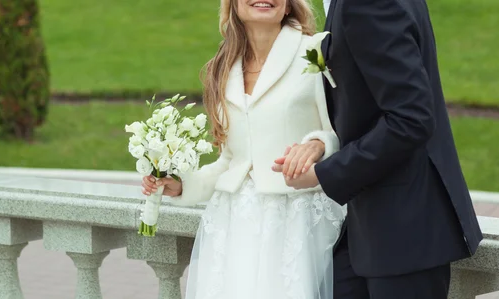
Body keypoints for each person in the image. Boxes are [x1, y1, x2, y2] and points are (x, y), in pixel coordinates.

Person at [272, 0, 483, 298]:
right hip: (371, 230)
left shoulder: (366, 3)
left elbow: (411, 119)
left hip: (403, 234)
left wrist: (325, 173)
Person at [141, 0, 346, 298]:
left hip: (295, 220)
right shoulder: (223, 67)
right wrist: (182, 185)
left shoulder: (316, 51)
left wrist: (317, 145)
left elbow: (346, 131)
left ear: (289, 6)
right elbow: (230, 160)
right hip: (232, 224)